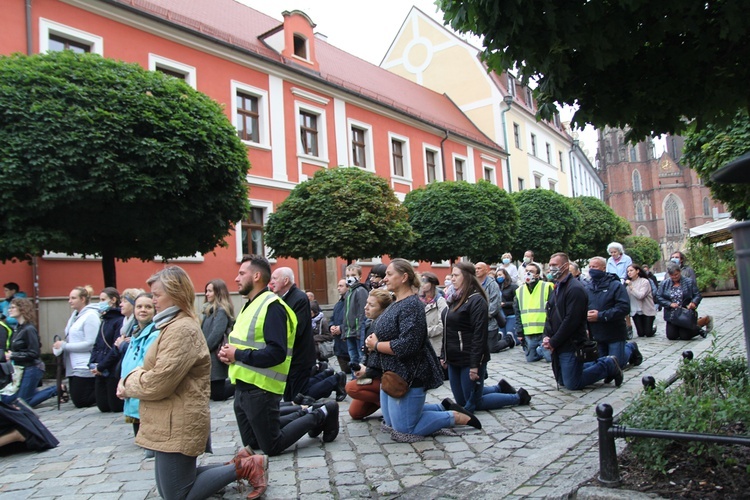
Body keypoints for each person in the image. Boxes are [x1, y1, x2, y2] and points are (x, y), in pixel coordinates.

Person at [117, 266, 265, 500]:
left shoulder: (181, 329)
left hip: (178, 420)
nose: (152, 299)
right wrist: (135, 376)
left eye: (156, 295)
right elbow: (153, 370)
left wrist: (129, 382)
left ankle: (246, 467)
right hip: (169, 418)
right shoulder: (169, 325)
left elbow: (158, 382)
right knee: (173, 489)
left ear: (175, 294)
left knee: (177, 495)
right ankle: (239, 463)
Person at [220, 255, 340, 464]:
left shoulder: (272, 307)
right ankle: (306, 410)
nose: (236, 278)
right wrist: (229, 354)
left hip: (261, 387)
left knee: (271, 446)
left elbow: (276, 353)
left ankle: (320, 413)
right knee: (253, 443)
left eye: (241, 273)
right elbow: (246, 343)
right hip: (242, 385)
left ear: (256, 276)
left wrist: (237, 354)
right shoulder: (250, 305)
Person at [364, 258, 481, 441]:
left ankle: (454, 417)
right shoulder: (396, 303)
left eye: (389, 274)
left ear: (403, 277)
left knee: (405, 429)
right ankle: (443, 407)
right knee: (390, 422)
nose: (384, 279)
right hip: (393, 372)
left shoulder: (412, 305)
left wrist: (377, 345)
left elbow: (408, 344)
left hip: (410, 374)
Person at [442, 262, 531, 413]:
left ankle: (518, 397)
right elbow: (447, 328)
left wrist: (475, 364)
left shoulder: (476, 300)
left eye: (456, 275)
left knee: (473, 403)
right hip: (453, 357)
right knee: (462, 400)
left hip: (469, 357)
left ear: (467, 277)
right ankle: (499, 388)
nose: (452, 279)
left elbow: (479, 335)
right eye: (452, 275)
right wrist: (444, 354)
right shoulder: (453, 298)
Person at [541, 253, 624, 390]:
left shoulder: (575, 288)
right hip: (559, 341)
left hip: (571, 342)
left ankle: (607, 365)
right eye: (550, 265)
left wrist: (554, 341)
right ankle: (590, 365)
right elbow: (550, 314)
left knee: (572, 383)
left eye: (554, 265)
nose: (551, 268)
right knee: (562, 381)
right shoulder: (556, 287)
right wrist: (547, 336)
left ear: (565, 266)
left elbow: (571, 320)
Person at [117, 292, 159, 457]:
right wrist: (122, 381)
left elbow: (145, 363)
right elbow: (128, 361)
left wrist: (127, 383)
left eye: (148, 307)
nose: (143, 310)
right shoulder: (135, 333)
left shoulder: (154, 333)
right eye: (139, 306)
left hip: (141, 388)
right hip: (131, 388)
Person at [269, 267, 316, 402]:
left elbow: (297, 329)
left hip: (299, 358)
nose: (272, 282)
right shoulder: (280, 298)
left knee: (297, 398)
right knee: (288, 397)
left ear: (286, 280)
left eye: (275, 278)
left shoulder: (299, 298)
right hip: (289, 358)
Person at [345, 288, 393, 420]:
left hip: (387, 377)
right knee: (355, 413)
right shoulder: (369, 324)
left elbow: (386, 362)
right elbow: (366, 354)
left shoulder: (386, 327)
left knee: (351, 388)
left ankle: (392, 409)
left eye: (371, 305)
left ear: (383, 309)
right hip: (374, 374)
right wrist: (361, 367)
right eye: (367, 303)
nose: (366, 308)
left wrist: (367, 371)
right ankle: (387, 404)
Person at [1, 298, 57, 407]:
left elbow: (34, 353)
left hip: (32, 368)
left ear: (22, 309)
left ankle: (56, 389)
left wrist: (12, 355)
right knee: (10, 399)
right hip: (20, 369)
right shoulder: (17, 328)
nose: (9, 310)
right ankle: (33, 392)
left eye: (13, 307)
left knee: (22, 403)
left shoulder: (29, 329)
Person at [53, 287, 101, 408]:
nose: (69, 301)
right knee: (77, 399)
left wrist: (65, 345)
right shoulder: (75, 316)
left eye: (73, 298)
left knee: (81, 400)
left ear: (83, 299)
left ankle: (108, 394)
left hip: (84, 363)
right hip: (73, 364)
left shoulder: (91, 316)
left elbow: (91, 343)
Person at [89, 288, 125, 413]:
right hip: (101, 368)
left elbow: (115, 347)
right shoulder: (104, 321)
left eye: (103, 299)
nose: (100, 302)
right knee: (103, 406)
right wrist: (93, 363)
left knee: (114, 406)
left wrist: (102, 365)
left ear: (113, 300)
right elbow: (97, 344)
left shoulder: (119, 320)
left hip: (111, 368)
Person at [656, 262, 712, 340]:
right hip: (672, 314)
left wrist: (693, 303)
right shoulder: (664, 283)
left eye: (676, 275)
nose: (674, 277)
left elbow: (697, 295)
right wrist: (669, 304)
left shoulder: (689, 282)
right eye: (672, 276)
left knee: (685, 336)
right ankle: (695, 326)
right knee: (671, 336)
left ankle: (701, 323)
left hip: (685, 312)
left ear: (680, 272)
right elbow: (658, 297)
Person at [201, 279, 235, 402]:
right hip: (208, 355)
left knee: (217, 393)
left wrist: (203, 349)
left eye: (210, 291)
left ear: (218, 292)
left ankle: (241, 384)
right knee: (213, 392)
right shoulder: (208, 311)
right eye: (206, 291)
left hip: (215, 356)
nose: (207, 294)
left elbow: (216, 334)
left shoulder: (221, 311)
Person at [514, 262, 554, 363]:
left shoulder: (547, 287)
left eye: (531, 271)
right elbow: (518, 313)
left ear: (537, 275)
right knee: (531, 359)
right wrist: (520, 332)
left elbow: (553, 310)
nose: (528, 273)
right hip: (529, 332)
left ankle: (543, 350)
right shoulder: (519, 291)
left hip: (544, 332)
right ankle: (540, 351)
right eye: (526, 271)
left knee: (550, 359)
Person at [476, 262, 514, 353]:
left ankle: (509, 340)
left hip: (490, 321)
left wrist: (484, 315)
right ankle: (497, 337)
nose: (476, 270)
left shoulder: (492, 285)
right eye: (476, 268)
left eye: (479, 268)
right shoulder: (474, 284)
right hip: (477, 321)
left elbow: (495, 305)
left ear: (486, 270)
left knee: (492, 348)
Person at [343, 264, 369, 366]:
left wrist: (360, 332)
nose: (350, 278)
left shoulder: (361, 291)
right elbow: (346, 314)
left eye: (353, 274)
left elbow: (362, 313)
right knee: (353, 359)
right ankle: (355, 379)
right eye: (347, 275)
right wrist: (344, 332)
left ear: (359, 276)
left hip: (357, 332)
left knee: (360, 358)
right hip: (349, 332)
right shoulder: (348, 292)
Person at [419, 272, 447, 357]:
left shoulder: (440, 301)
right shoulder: (419, 301)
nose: (422, 284)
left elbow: (443, 325)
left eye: (425, 281)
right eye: (421, 281)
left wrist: (424, 332)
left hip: (436, 346)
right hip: (423, 346)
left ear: (432, 284)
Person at [625, 264, 656, 338]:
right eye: (628, 271)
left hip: (646, 310)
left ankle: (653, 328)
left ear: (637, 271)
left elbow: (640, 296)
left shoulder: (644, 281)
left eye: (631, 270)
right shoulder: (626, 284)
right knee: (641, 334)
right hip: (635, 311)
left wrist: (631, 287)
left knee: (648, 333)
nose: (629, 273)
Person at [329, 279, 350, 374]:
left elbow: (352, 320)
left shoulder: (350, 303)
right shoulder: (338, 304)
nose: (338, 288)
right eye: (338, 286)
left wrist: (341, 328)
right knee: (344, 373)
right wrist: (331, 326)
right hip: (338, 345)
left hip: (347, 343)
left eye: (341, 286)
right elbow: (332, 318)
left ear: (348, 287)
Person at [497, 268, 519, 343]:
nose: (498, 277)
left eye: (500, 275)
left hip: (511, 314)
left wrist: (505, 304)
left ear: (505, 275)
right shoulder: (497, 287)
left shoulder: (513, 287)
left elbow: (517, 301)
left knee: (511, 335)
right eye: (497, 276)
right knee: (501, 335)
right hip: (501, 315)